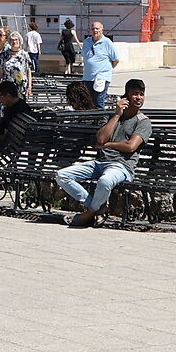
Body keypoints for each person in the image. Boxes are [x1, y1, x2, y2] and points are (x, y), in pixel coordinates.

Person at [57, 81, 150, 227]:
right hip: (99, 163)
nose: (139, 98)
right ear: (125, 97)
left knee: (105, 181)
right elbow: (100, 138)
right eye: (135, 94)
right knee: (62, 175)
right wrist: (117, 115)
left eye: (141, 94)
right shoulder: (111, 117)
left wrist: (108, 145)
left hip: (121, 167)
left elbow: (130, 146)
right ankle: (99, 209)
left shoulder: (143, 122)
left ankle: (89, 213)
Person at [80, 20, 120, 104]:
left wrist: (107, 70)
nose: (95, 31)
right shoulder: (86, 42)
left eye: (97, 29)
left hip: (101, 77)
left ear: (102, 30)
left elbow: (116, 59)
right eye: (93, 29)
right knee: (88, 102)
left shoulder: (107, 42)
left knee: (99, 102)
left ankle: (102, 117)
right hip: (88, 78)